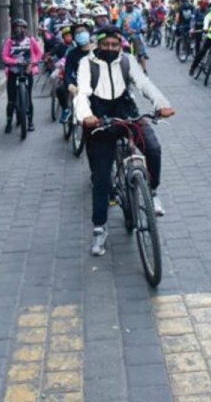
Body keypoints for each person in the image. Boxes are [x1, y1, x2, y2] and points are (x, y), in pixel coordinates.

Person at [74, 25, 175, 257]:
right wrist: (85, 116)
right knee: (101, 178)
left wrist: (161, 104)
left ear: (120, 45)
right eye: (105, 44)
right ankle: (99, 229)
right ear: (97, 44)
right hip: (98, 120)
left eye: (114, 45)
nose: (110, 48)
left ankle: (153, 192)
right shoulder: (86, 63)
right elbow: (82, 93)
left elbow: (144, 84)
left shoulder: (127, 61)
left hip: (127, 113)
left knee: (153, 147)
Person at [2, 18, 43, 133]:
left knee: (28, 97)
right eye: (16, 27)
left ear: (26, 29)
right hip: (13, 71)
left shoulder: (31, 40)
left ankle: (30, 122)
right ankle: (9, 122)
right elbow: (4, 56)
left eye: (22, 27)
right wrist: (15, 62)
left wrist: (34, 62)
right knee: (11, 99)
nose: (19, 30)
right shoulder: (9, 42)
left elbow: (39, 53)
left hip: (27, 70)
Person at [58, 19, 93, 123]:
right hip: (77, 83)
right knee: (60, 89)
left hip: (95, 82)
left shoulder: (97, 51)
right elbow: (67, 72)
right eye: (77, 33)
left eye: (83, 31)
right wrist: (70, 85)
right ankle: (66, 110)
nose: (80, 34)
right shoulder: (72, 54)